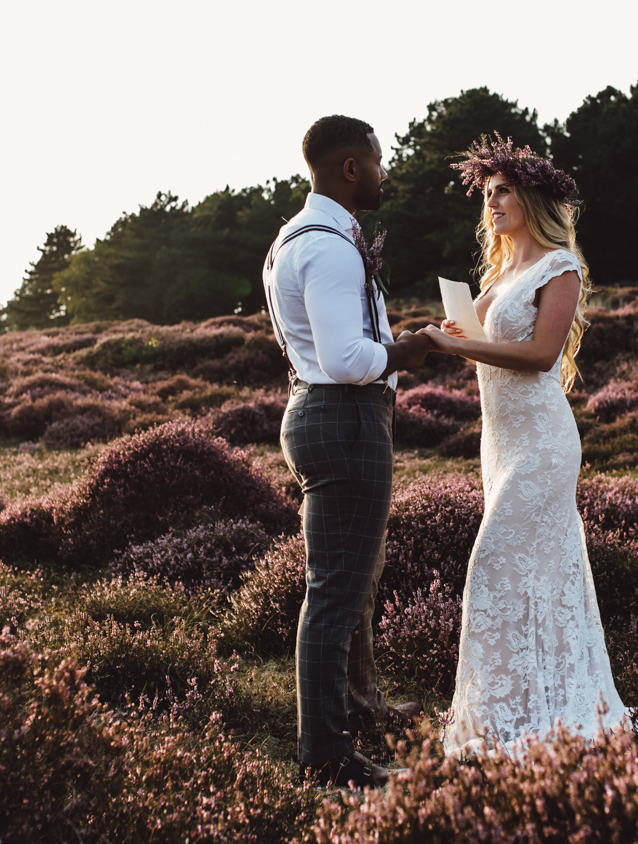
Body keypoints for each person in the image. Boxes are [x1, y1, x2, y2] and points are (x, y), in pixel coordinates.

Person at [420, 133, 627, 756]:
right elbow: (469, 336)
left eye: (503, 190)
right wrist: (425, 338)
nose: (492, 203)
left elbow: (539, 356)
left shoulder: (559, 266)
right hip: (500, 445)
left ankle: (511, 718)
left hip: (541, 443)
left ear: (532, 197)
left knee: (493, 566)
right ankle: (537, 706)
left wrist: (455, 343)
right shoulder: (503, 271)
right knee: (535, 576)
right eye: (486, 194)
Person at [263, 115, 433, 788]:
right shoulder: (329, 248)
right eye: (380, 160)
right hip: (344, 417)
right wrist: (413, 349)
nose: (387, 172)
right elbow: (348, 358)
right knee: (334, 594)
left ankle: (362, 709)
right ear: (351, 168)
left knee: (351, 584)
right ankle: (326, 758)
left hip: (320, 411)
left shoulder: (293, 238)